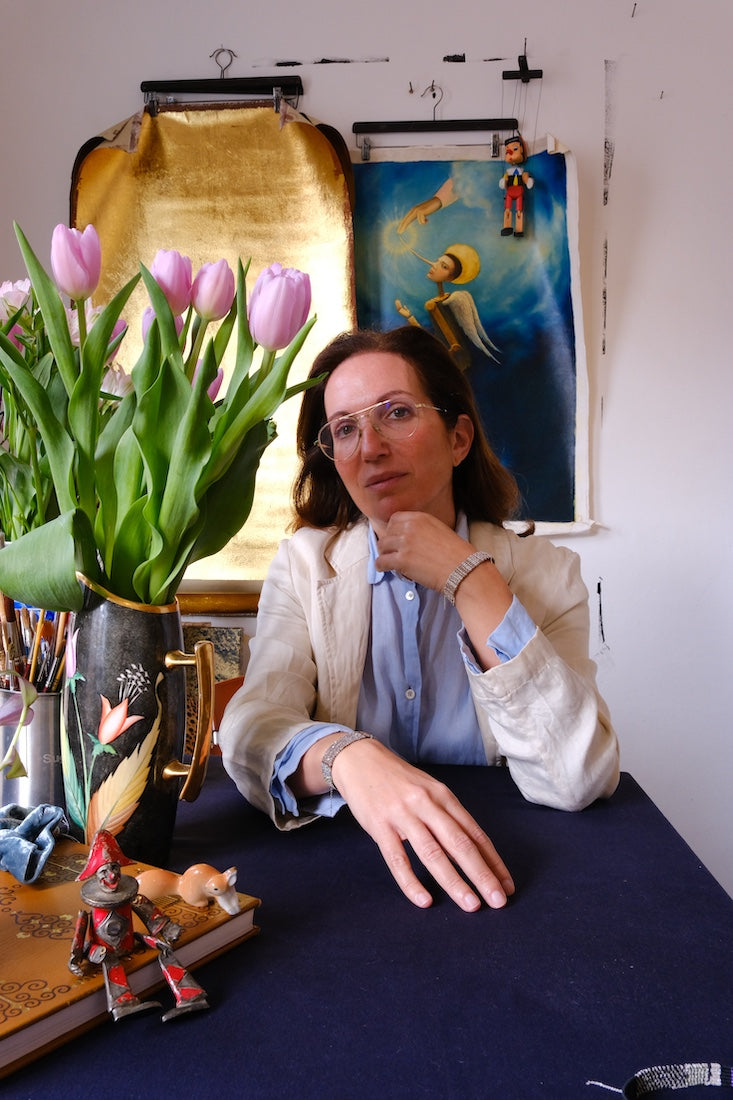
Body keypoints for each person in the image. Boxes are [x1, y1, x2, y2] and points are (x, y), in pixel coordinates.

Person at [219, 326, 619, 913]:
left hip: (514, 871)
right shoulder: (305, 566)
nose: (370, 448)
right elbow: (250, 730)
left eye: (397, 413)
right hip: (346, 883)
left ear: (458, 439)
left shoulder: (548, 574)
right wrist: (346, 757)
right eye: (345, 429)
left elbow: (577, 774)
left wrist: (472, 581)